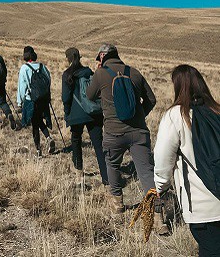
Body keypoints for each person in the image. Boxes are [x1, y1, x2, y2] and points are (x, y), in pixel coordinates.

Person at [86, 43, 159, 217]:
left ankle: (118, 203)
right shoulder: (134, 72)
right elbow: (152, 100)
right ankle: (157, 216)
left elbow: (89, 96)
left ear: (102, 56)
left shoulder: (101, 74)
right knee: (146, 172)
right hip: (138, 132)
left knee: (112, 165)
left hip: (113, 132)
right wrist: (140, 115)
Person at [154, 65, 220, 250]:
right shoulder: (217, 111)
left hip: (203, 207)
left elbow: (162, 159)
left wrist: (160, 187)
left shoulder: (176, 115)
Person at [61, 47, 107, 185]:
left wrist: (67, 113)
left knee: (76, 142)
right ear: (79, 57)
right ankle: (106, 177)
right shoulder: (88, 72)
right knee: (99, 145)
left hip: (76, 115)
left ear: (68, 59)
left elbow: (65, 98)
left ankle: (79, 173)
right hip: (94, 112)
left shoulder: (67, 75)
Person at [17, 46, 55, 156]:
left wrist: (20, 102)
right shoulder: (42, 66)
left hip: (31, 99)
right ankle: (48, 137)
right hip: (43, 99)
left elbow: (21, 86)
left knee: (35, 124)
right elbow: (48, 79)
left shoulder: (24, 68)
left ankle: (38, 151)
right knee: (38, 120)